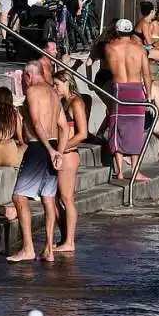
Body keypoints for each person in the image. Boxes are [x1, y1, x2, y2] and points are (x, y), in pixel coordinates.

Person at [7, 60, 69, 263]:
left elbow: (36, 123)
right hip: (51, 145)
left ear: (28, 76)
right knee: (48, 198)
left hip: (38, 147)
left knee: (18, 197)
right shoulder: (53, 92)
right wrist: (58, 151)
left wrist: (51, 151)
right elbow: (64, 127)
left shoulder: (33, 91)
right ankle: (49, 249)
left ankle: (28, 248)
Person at [104, 19, 152, 181]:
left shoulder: (109, 48)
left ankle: (119, 171)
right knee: (135, 132)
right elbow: (147, 75)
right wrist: (150, 96)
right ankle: (135, 170)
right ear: (131, 32)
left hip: (118, 90)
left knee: (117, 130)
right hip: (136, 90)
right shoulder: (139, 50)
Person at [52, 70, 88, 253]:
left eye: (57, 84)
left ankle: (70, 241)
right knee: (58, 198)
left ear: (67, 83)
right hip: (62, 153)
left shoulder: (76, 102)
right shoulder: (62, 102)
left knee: (67, 198)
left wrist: (62, 148)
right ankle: (65, 237)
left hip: (69, 154)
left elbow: (83, 133)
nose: (54, 88)